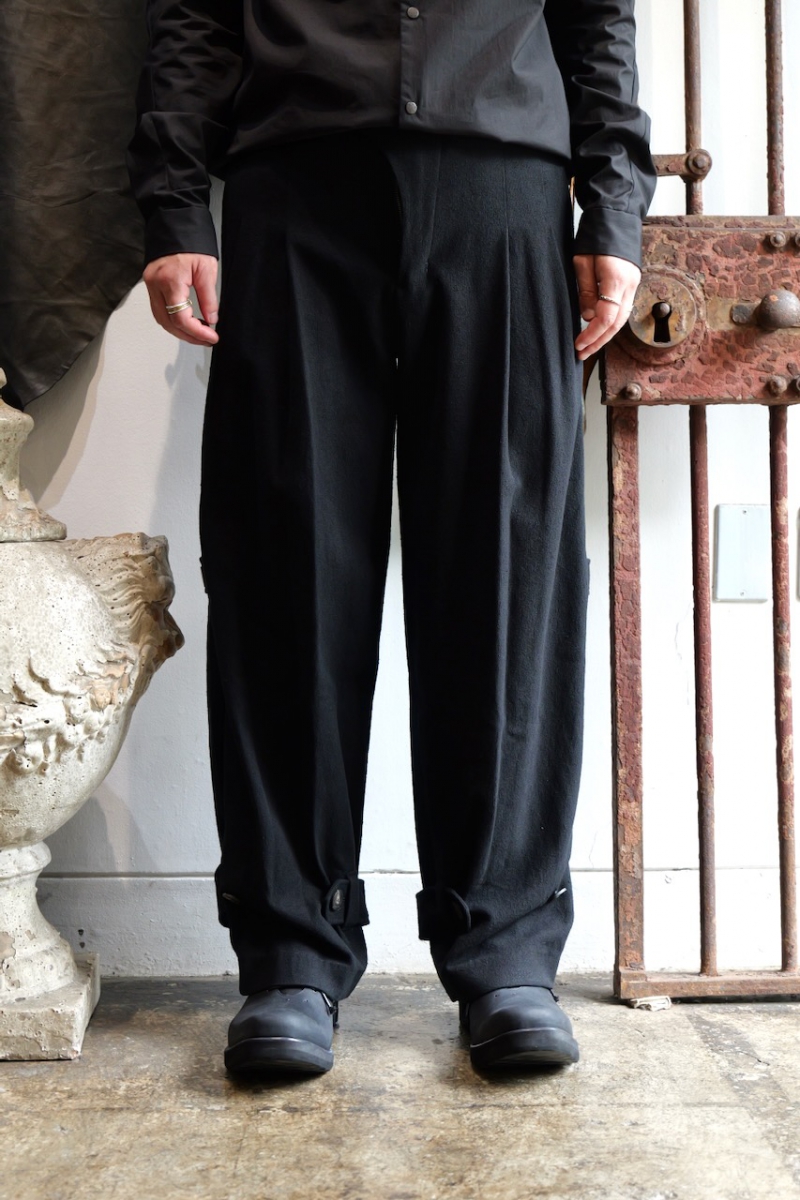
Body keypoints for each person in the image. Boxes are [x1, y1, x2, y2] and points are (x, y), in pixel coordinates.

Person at [127, 0, 656, 1076]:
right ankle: (290, 952)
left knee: (505, 575)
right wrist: (175, 205)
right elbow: (196, 12)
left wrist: (612, 207)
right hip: (294, 191)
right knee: (286, 572)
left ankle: (503, 948)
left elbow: (597, 14)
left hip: (503, 191)